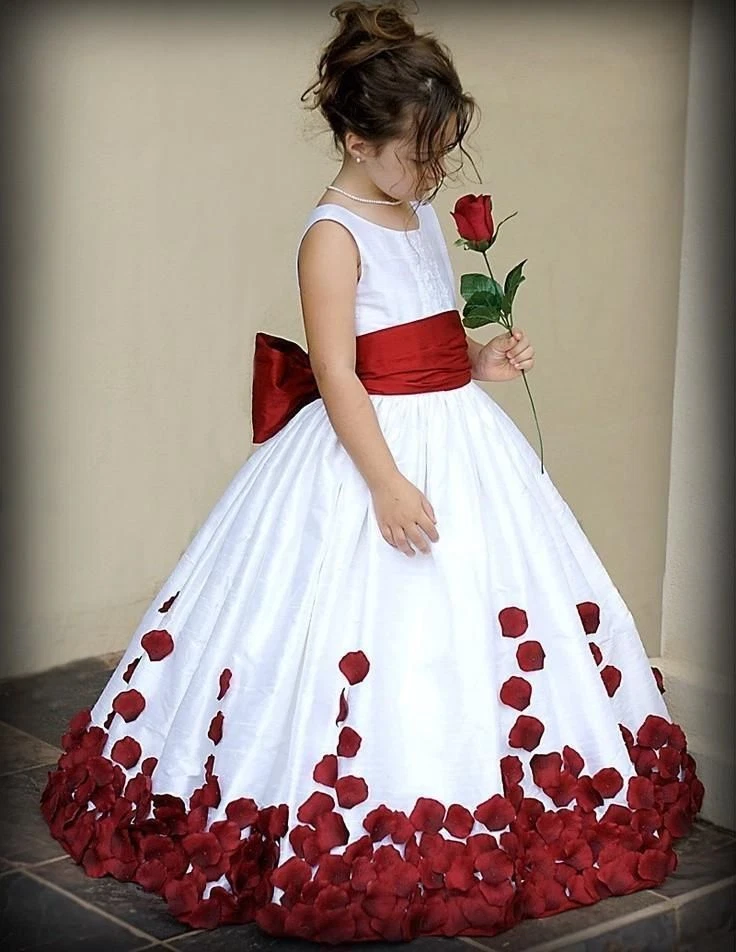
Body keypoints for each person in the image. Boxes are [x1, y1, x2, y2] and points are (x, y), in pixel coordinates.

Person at [39, 0, 704, 944]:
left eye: (440, 156)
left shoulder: (420, 212)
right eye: (416, 154)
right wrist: (387, 483)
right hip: (368, 452)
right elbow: (343, 372)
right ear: (355, 136)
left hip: (457, 435)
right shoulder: (331, 234)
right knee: (352, 630)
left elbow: (420, 337)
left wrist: (477, 363)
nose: (430, 173)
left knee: (482, 618)